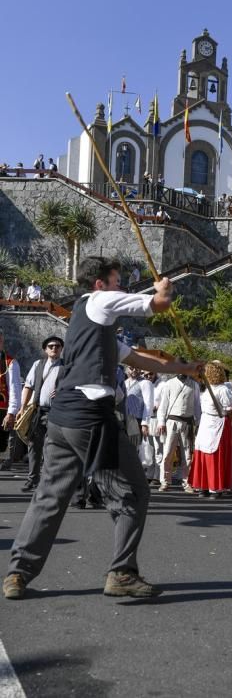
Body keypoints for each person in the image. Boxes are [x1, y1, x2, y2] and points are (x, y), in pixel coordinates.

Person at [3, 256, 203, 600]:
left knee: (50, 496)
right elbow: (159, 304)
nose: (120, 287)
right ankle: (122, 572)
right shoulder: (101, 301)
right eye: (117, 280)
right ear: (100, 283)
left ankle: (18, 574)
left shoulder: (91, 320)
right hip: (90, 417)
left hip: (62, 419)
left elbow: (139, 359)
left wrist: (185, 367)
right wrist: (164, 289)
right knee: (133, 491)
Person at [188, 362, 232, 499]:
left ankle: (213, 487)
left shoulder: (222, 389)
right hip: (208, 423)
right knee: (204, 454)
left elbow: (230, 408)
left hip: (216, 423)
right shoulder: (209, 388)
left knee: (213, 455)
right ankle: (205, 486)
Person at [18, 336, 64, 492]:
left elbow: (75, 388)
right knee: (33, 446)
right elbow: (28, 386)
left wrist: (62, 392)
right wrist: (22, 407)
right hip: (38, 411)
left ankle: (47, 482)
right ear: (45, 349)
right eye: (51, 346)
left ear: (61, 349)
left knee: (51, 448)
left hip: (57, 413)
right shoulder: (38, 364)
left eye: (57, 346)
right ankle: (32, 479)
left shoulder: (67, 367)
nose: (54, 348)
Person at [156, 367, 201, 493]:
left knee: (187, 454)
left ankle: (187, 482)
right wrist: (161, 422)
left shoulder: (194, 385)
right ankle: (165, 481)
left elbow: (197, 405)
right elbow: (163, 404)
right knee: (167, 453)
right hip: (172, 422)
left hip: (187, 422)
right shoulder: (169, 384)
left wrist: (198, 423)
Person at [0, 329, 21, 472]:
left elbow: (14, 389)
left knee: (1, 446)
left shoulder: (10, 363)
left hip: (1, 411)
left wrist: (11, 412)